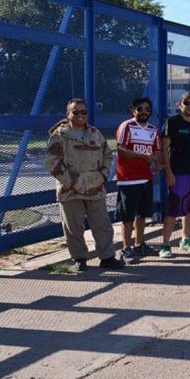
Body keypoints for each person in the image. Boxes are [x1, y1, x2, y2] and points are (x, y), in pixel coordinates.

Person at [45, 98, 124, 272]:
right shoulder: (60, 135)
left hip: (95, 188)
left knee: (102, 224)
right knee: (73, 226)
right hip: (70, 190)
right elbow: (52, 162)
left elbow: (107, 155)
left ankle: (107, 257)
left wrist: (102, 175)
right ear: (68, 114)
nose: (80, 115)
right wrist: (72, 182)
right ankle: (79, 259)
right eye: (76, 112)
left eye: (84, 112)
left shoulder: (95, 134)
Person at [160, 92, 190, 258]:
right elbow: (164, 149)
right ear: (179, 105)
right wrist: (169, 172)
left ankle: (185, 239)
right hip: (178, 173)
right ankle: (165, 245)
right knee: (173, 209)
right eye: (186, 103)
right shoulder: (172, 122)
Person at [115, 97, 162, 264]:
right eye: (140, 108)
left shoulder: (153, 130)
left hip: (145, 179)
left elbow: (156, 152)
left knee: (142, 215)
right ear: (133, 110)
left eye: (147, 109)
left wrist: (155, 162)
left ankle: (139, 244)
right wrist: (143, 156)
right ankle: (126, 248)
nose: (144, 112)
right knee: (127, 217)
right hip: (128, 179)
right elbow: (121, 150)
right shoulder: (126, 126)